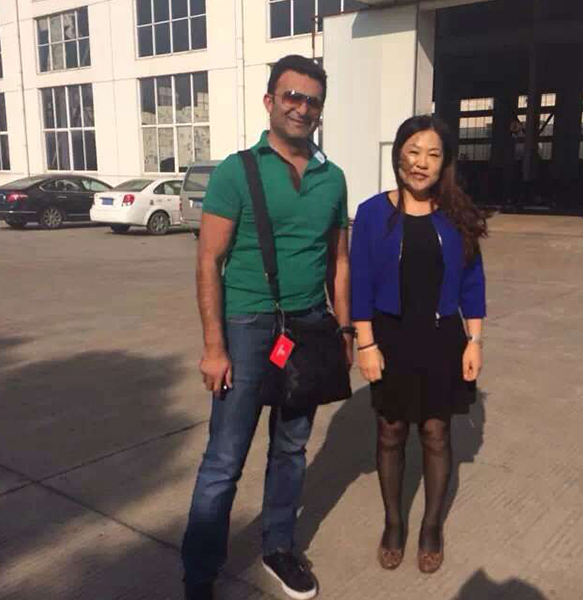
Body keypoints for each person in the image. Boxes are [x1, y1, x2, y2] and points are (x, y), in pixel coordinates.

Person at [182, 55, 353, 600]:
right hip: (248, 326)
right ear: (270, 101)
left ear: (321, 111)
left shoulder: (333, 178)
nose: (301, 108)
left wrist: (344, 330)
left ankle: (279, 548)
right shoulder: (237, 171)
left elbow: (339, 261)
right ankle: (199, 574)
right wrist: (215, 347)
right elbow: (209, 260)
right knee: (224, 459)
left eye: (312, 101)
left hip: (310, 327)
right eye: (292, 96)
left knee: (291, 448)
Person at [349, 115, 487, 574]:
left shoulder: (457, 215)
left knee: (436, 432)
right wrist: (365, 343)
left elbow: (473, 282)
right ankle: (394, 524)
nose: (421, 163)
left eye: (432, 154)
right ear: (398, 155)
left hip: (442, 337)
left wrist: (474, 341)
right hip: (390, 336)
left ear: (445, 162)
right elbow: (360, 282)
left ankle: (430, 527)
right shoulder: (373, 213)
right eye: (413, 151)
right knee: (390, 430)